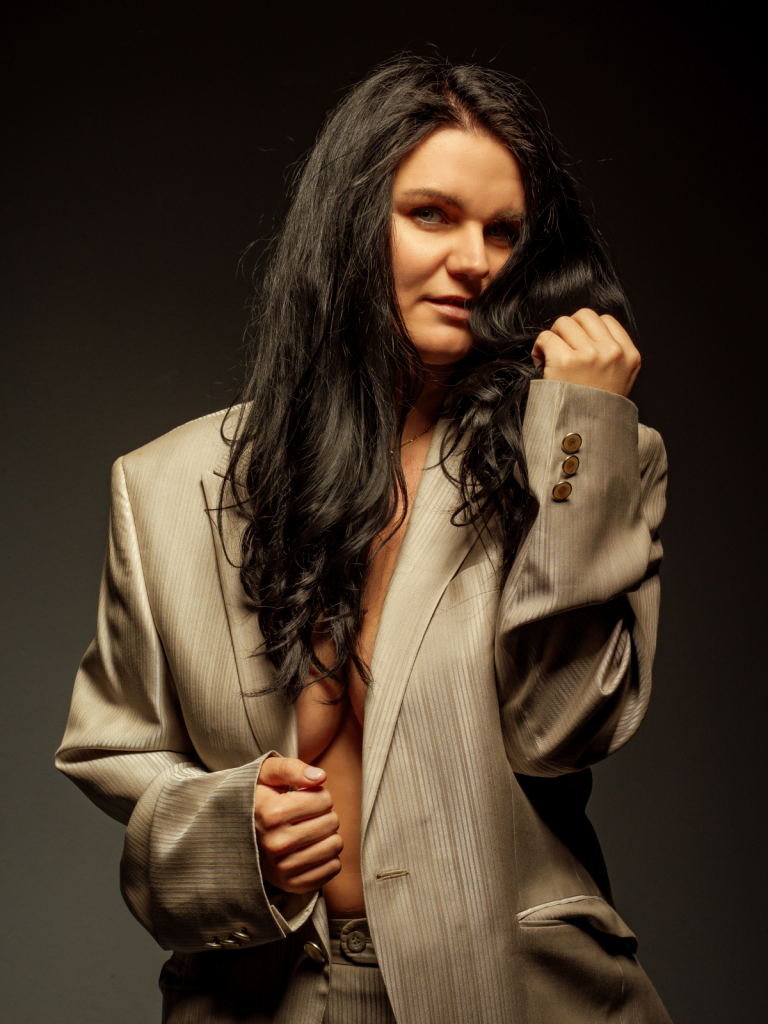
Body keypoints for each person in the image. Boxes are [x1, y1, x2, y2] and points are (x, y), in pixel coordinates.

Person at [56, 55, 672, 1023]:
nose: (474, 260)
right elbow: (112, 751)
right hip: (261, 1001)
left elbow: (560, 729)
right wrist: (235, 835)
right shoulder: (168, 485)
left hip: (515, 996)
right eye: (431, 214)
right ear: (350, 225)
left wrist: (581, 438)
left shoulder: (583, 455)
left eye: (504, 231)